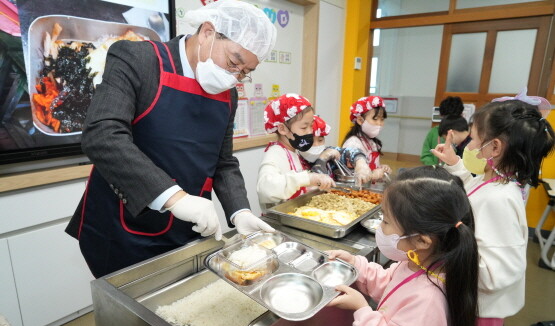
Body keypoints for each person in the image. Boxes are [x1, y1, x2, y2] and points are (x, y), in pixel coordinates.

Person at [65, 0, 277, 278]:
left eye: (245, 72)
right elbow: (102, 134)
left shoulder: (228, 93)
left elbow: (223, 162)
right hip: (124, 225)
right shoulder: (139, 59)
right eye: (234, 62)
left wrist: (240, 212)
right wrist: (175, 199)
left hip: (188, 227)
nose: (235, 76)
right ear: (208, 33)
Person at [431, 100, 555, 326]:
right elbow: (474, 186)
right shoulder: (495, 180)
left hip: (480, 312)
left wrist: (443, 255)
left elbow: (495, 272)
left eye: (474, 140)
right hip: (473, 303)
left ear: (495, 147)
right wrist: (454, 163)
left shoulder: (499, 199)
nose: (469, 147)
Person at [327, 166, 479, 326]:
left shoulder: (428, 303)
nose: (381, 228)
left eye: (386, 221)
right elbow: (390, 285)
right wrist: (357, 265)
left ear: (422, 241)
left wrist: (362, 311)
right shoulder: (417, 264)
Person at [257, 94, 335, 211]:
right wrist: (309, 178)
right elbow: (265, 189)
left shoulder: (294, 151)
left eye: (311, 126)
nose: (310, 132)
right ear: (282, 129)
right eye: (304, 128)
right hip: (278, 222)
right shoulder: (275, 154)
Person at [303, 115, 372, 186]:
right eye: (310, 141)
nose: (316, 145)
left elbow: (351, 152)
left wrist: (361, 164)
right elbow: (318, 185)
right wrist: (322, 159)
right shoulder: (296, 161)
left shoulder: (327, 151)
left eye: (320, 140)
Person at [342, 96, 392, 181]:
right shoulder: (353, 143)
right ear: (360, 120)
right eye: (375, 119)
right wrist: (373, 174)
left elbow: (371, 165)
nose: (379, 123)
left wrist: (381, 168)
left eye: (382, 119)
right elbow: (350, 175)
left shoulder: (372, 142)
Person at [421, 96, 465, 165]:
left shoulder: (464, 135)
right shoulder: (434, 132)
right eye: (446, 118)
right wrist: (433, 168)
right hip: (436, 172)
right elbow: (426, 154)